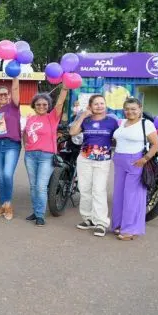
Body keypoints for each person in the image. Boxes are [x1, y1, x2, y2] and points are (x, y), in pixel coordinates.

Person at [69, 94, 119, 236]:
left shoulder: (112, 122)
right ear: (90, 107)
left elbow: (118, 138)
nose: (99, 106)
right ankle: (88, 219)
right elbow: (73, 132)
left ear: (106, 105)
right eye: (96, 104)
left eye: (102, 103)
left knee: (98, 190)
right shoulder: (86, 121)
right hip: (84, 159)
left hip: (103, 161)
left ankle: (101, 223)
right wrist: (82, 116)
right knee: (84, 189)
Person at [111, 98, 158, 241]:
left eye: (133, 109)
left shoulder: (146, 124)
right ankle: (119, 225)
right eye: (127, 109)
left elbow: (156, 144)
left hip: (136, 162)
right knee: (119, 195)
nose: (130, 111)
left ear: (140, 109)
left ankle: (130, 229)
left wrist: (145, 159)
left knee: (132, 196)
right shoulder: (122, 123)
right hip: (119, 161)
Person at [22, 87, 68, 226]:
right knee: (33, 186)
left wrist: (64, 88)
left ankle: (40, 215)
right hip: (30, 155)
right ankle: (36, 211)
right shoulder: (30, 119)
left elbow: (60, 103)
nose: (41, 106)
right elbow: (25, 133)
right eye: (38, 104)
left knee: (41, 186)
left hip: (46, 156)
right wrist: (26, 145)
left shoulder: (52, 117)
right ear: (34, 106)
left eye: (44, 104)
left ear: (48, 106)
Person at [0, 78, 21, 220]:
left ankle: (8, 205)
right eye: (0, 95)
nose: (3, 96)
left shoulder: (14, 107)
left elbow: (15, 90)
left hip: (12, 145)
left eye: (5, 94)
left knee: (7, 175)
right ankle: (3, 205)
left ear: (9, 96)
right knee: (0, 177)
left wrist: (15, 78)